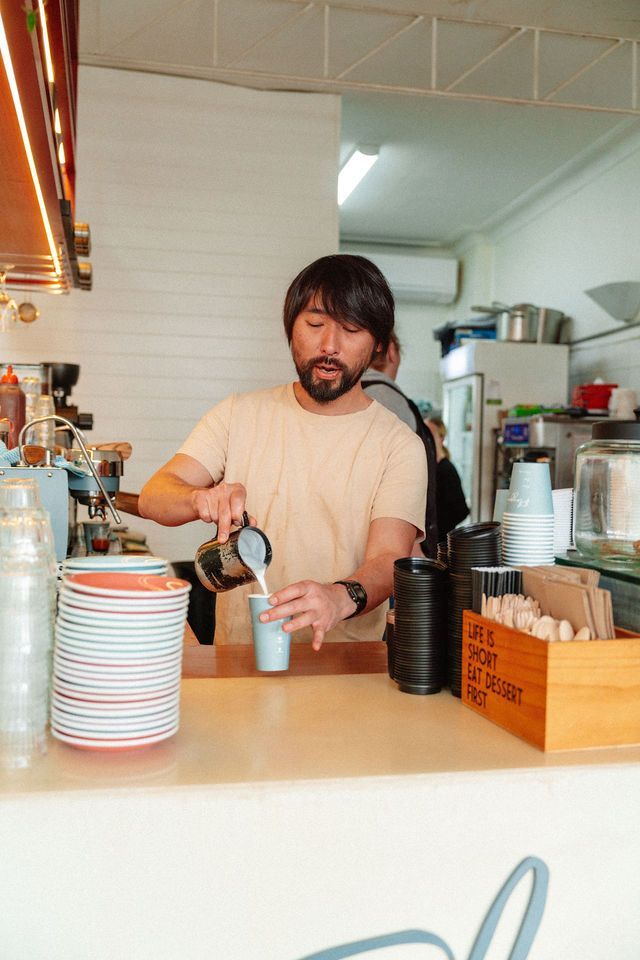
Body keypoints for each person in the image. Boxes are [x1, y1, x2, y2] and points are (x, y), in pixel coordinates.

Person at [139, 255, 427, 651]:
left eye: (351, 329)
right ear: (290, 328)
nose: (329, 346)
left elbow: (390, 557)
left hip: (346, 673)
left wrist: (340, 597)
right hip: (239, 665)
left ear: (378, 343)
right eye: (314, 324)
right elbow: (155, 496)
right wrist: (198, 497)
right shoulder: (239, 413)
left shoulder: (398, 445)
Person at [362, 332, 439, 559]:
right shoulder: (389, 400)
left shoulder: (347, 396)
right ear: (392, 353)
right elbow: (392, 483)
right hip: (392, 551)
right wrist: (414, 551)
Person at [425, 415, 469, 540]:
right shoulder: (428, 468)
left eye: (430, 434)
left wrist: (437, 526)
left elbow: (461, 511)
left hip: (441, 540)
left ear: (441, 438)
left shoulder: (447, 470)